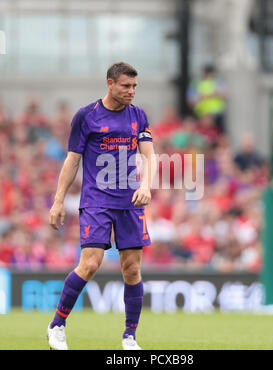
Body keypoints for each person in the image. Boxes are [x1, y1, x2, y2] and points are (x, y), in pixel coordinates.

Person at [46, 62, 156, 350]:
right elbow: (72, 160)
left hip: (130, 202)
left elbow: (150, 155)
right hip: (97, 201)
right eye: (125, 86)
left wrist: (145, 185)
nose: (131, 91)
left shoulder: (138, 115)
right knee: (91, 263)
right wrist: (58, 201)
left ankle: (130, 336)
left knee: (132, 269)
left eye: (134, 86)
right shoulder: (87, 116)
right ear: (110, 84)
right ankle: (57, 325)